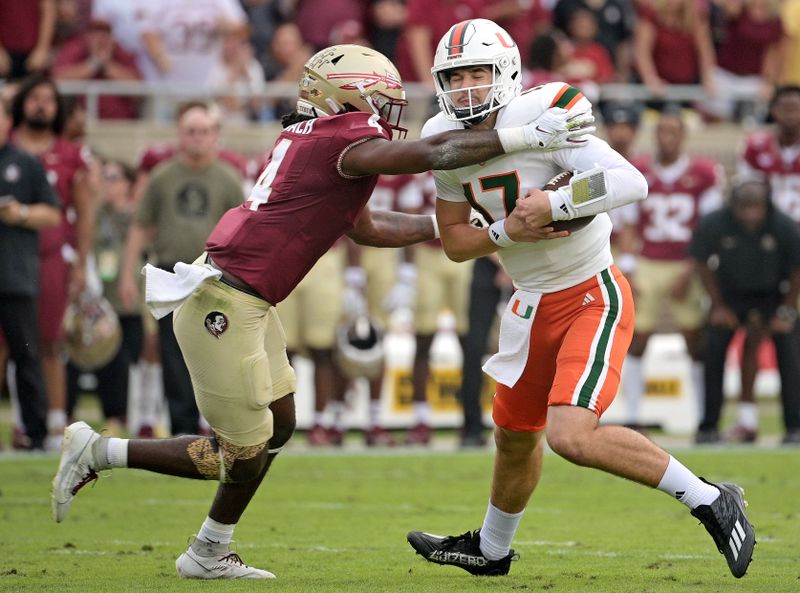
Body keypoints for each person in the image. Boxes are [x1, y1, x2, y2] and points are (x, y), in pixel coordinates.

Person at [51, 43, 595, 580]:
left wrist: (460, 228)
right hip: (224, 303)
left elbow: (366, 227)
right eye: (377, 101)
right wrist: (524, 137)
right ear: (345, 98)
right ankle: (98, 451)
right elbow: (433, 153)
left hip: (246, 297)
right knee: (238, 453)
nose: (384, 115)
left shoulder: (312, 137)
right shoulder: (344, 137)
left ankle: (209, 550)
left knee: (280, 426)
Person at [405, 19, 754, 579]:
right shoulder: (443, 134)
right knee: (513, 439)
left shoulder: (542, 111)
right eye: (456, 76)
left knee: (570, 435)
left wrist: (558, 203)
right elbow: (453, 242)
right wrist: (505, 234)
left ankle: (710, 498)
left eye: (478, 73)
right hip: (528, 303)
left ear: (508, 72)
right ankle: (491, 551)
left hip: (590, 292)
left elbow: (631, 182)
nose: (468, 87)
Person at [118, 101, 245, 437]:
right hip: (171, 274)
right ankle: (183, 430)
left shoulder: (229, 178)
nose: (198, 138)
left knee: (219, 350)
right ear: (179, 134)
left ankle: (221, 427)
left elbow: (243, 232)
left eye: (204, 131)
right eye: (191, 131)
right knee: (172, 354)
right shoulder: (161, 177)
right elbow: (139, 225)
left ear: (215, 135)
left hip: (215, 275)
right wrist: (126, 274)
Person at [619, 108, 723, 429]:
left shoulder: (703, 173)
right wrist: (630, 267)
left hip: (685, 261)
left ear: (683, 137)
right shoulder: (640, 171)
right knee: (638, 338)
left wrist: (691, 269)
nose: (666, 138)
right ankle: (634, 416)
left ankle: (702, 418)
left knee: (695, 339)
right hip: (649, 260)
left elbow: (709, 229)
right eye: (661, 131)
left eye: (673, 132)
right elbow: (627, 224)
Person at [11, 73, 95, 450]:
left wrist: (81, 264)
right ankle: (20, 422)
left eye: (49, 98)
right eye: (34, 98)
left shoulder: (70, 154)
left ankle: (56, 423)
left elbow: (85, 212)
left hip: (49, 258)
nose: (41, 105)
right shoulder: (6, 147)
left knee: (49, 341)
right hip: (8, 256)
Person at [689, 175, 800, 445]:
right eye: (744, 206)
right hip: (729, 297)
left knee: (790, 347)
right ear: (733, 205)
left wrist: (786, 310)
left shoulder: (784, 225)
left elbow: (798, 269)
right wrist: (717, 306)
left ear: (766, 206)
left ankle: (794, 427)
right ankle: (709, 426)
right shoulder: (715, 222)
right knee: (713, 345)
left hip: (773, 296)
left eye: (756, 206)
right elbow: (701, 262)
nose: (750, 213)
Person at [0, 97, 61, 451]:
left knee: (26, 354)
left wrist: (19, 213)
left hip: (15, 277)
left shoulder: (25, 163)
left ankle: (36, 432)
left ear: (9, 121)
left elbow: (52, 214)